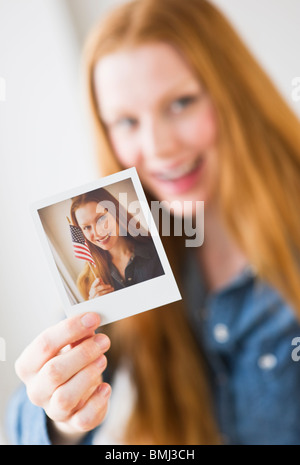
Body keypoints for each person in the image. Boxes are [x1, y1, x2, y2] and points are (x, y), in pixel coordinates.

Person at [7, 0, 300, 445]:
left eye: (181, 102)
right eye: (126, 121)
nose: (158, 147)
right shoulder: (122, 265)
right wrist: (64, 417)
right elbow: (27, 423)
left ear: (232, 92)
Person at [69, 187, 164, 299]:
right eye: (87, 227)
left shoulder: (159, 249)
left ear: (116, 213)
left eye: (101, 219)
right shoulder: (86, 282)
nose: (97, 233)